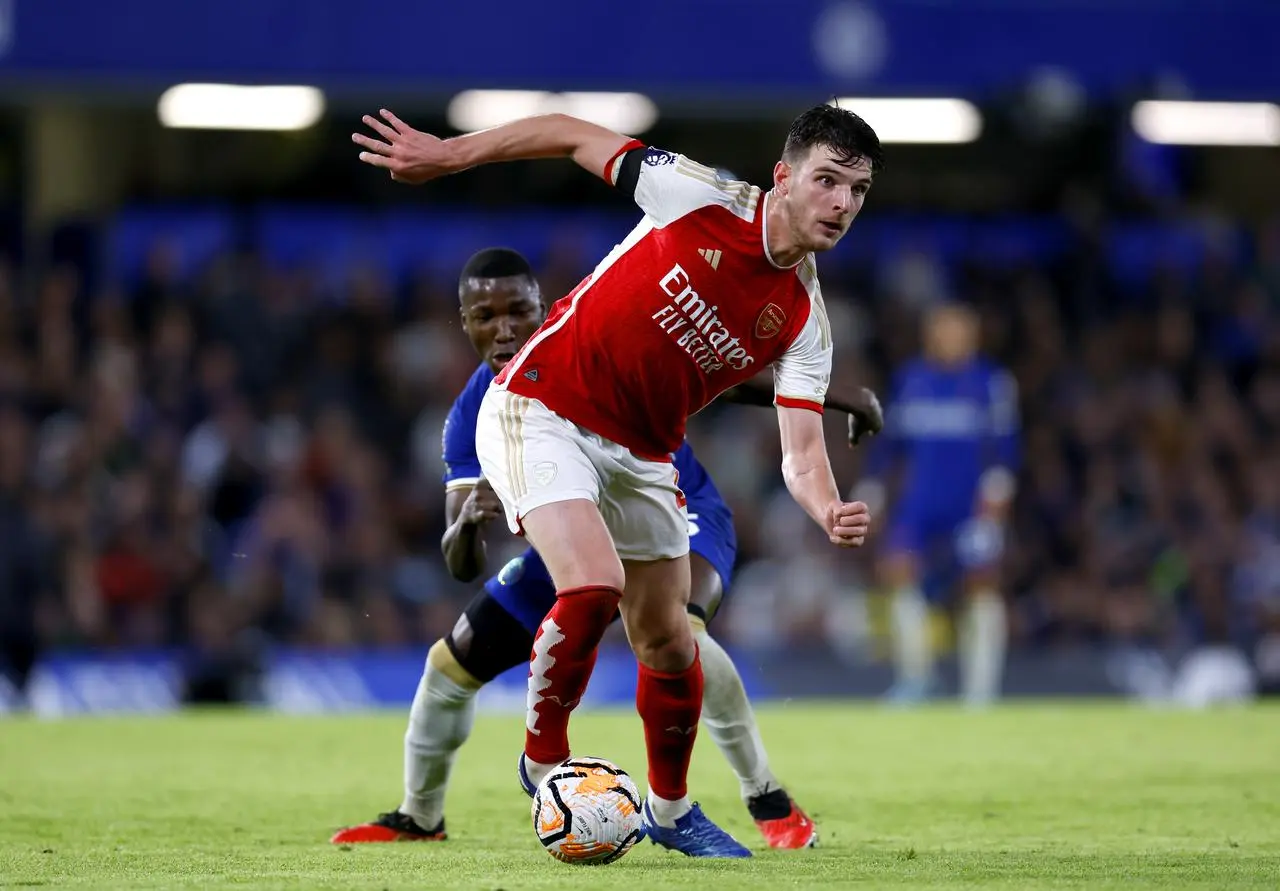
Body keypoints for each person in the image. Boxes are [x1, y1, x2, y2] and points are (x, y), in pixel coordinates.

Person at [353, 103, 883, 857]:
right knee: (592, 583)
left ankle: (671, 811)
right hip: (543, 405)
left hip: (642, 453)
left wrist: (827, 507)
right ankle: (543, 761)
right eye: (828, 181)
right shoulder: (698, 195)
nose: (841, 204)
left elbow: (800, 452)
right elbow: (571, 132)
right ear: (784, 176)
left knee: (669, 637)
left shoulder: (803, 320)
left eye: (857, 191)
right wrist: (451, 156)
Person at [855, 302, 1020, 706]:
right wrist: (872, 491)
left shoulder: (991, 383)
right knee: (899, 574)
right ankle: (917, 679)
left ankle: (980, 694)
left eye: (957, 330)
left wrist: (996, 500)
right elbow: (889, 446)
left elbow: (1006, 449)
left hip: (969, 507)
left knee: (980, 587)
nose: (948, 338)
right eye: (941, 330)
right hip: (919, 504)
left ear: (972, 336)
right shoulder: (910, 381)